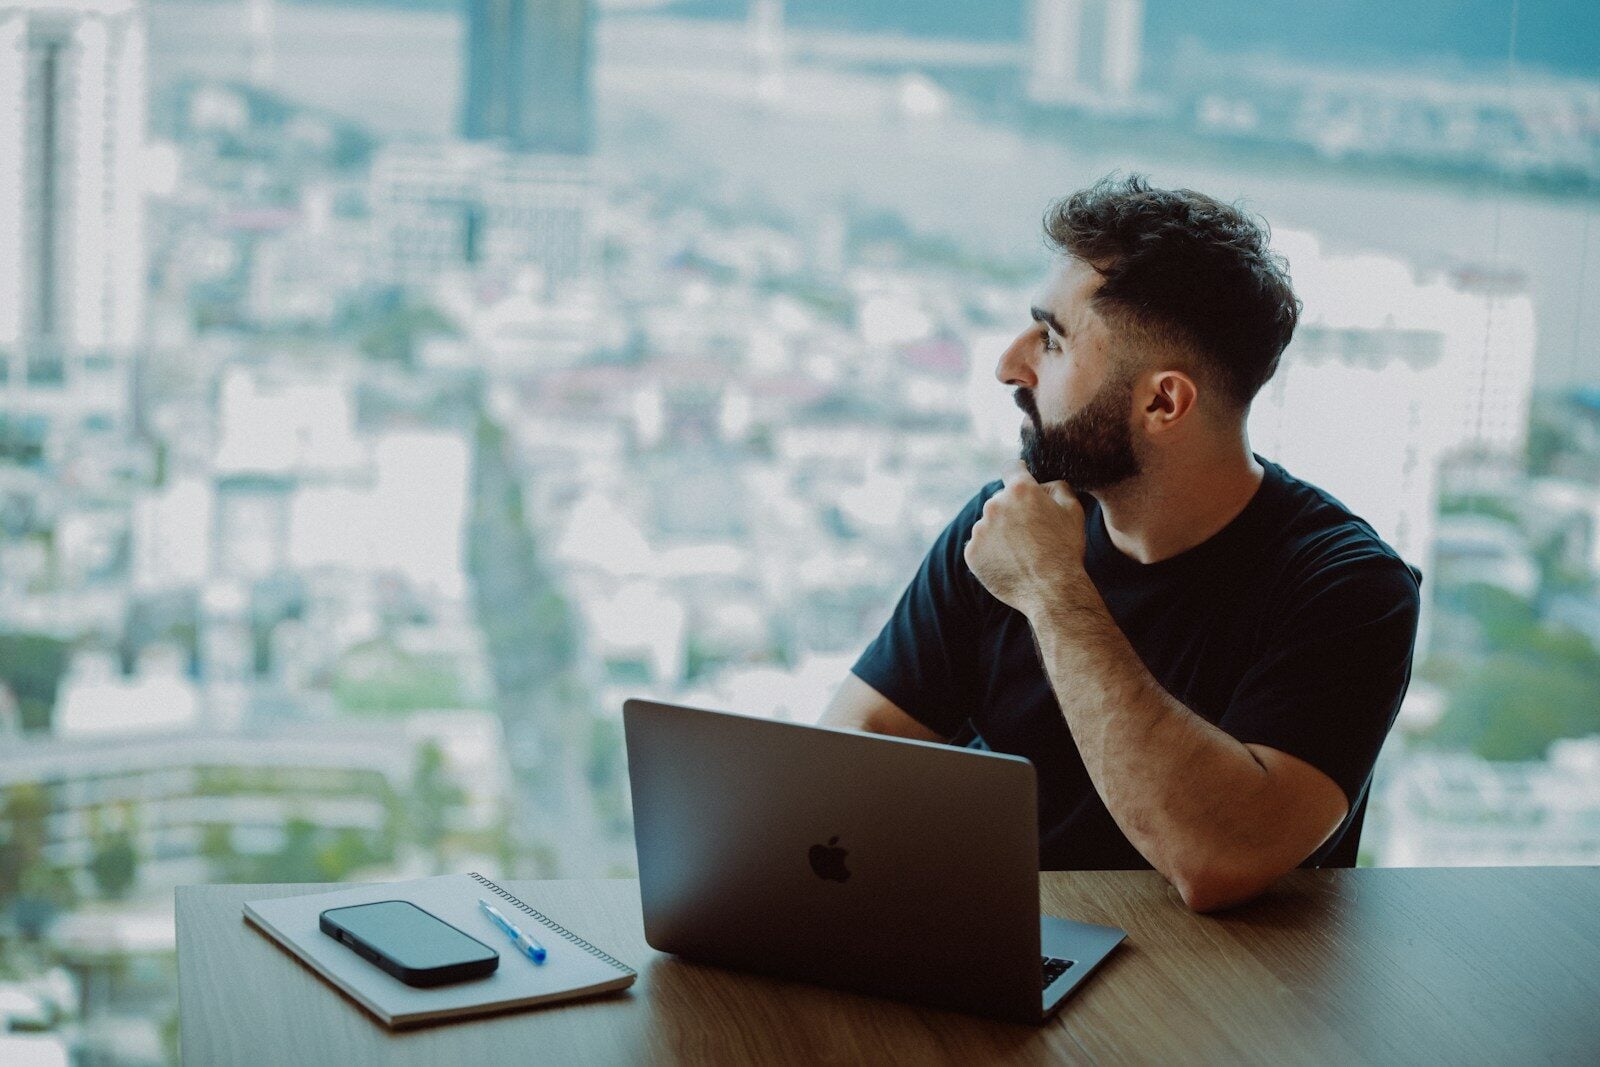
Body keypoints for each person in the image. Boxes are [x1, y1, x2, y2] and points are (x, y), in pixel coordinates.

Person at [822, 173, 1422, 913]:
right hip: (1006, 946)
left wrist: (1052, 591)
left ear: (1162, 401)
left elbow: (1218, 858)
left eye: (1052, 339)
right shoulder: (1009, 521)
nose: (1009, 364)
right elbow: (855, 743)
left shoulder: (1347, 588)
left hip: (1221, 1006)